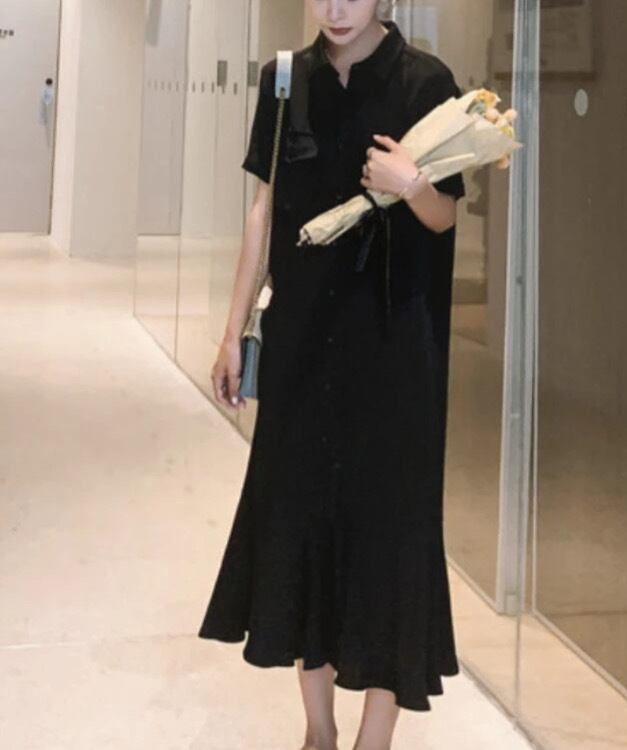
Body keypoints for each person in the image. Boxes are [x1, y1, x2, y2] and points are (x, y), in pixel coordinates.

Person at [199, 2, 466, 748]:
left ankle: (374, 739)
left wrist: (411, 183)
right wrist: (233, 331)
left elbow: (445, 216)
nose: (337, 8)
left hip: (394, 347)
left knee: (390, 532)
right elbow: (264, 209)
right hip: (303, 343)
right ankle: (318, 730)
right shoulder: (285, 79)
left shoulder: (424, 82)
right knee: (301, 523)